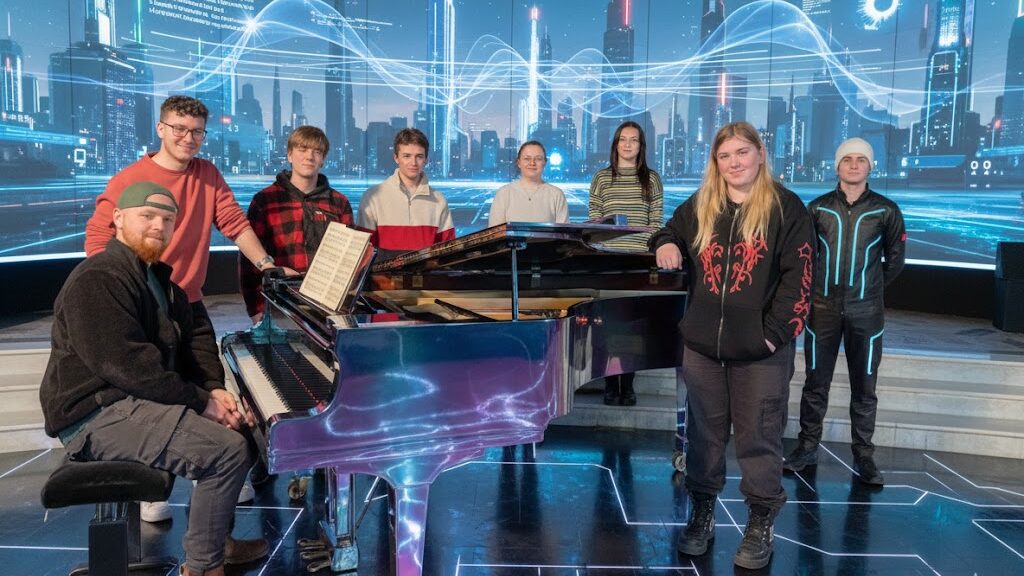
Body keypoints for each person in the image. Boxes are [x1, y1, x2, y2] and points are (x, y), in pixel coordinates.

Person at [40, 182, 268, 576]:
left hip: (132, 400)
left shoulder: (161, 282)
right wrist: (201, 402)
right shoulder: (98, 277)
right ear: (119, 219)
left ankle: (216, 542)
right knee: (225, 452)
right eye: (147, 216)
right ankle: (202, 568)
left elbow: (197, 338)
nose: (158, 226)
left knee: (244, 435)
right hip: (96, 413)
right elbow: (128, 366)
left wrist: (214, 388)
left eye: (167, 219)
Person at [84, 95, 285, 520]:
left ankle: (214, 476)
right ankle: (151, 485)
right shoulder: (132, 177)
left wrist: (266, 263)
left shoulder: (207, 174)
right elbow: (98, 237)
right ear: (160, 129)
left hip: (188, 302)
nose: (187, 138)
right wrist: (120, 292)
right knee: (151, 390)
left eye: (196, 131)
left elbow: (233, 222)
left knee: (209, 385)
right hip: (143, 306)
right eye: (178, 128)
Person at [650, 121, 813, 570]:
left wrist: (771, 335)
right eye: (725, 156)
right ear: (716, 163)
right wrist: (667, 244)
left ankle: (760, 523)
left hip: (761, 351)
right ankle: (702, 514)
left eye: (742, 152)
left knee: (759, 438)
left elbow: (799, 284)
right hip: (703, 347)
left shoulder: (786, 208)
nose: (734, 162)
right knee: (703, 435)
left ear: (760, 154)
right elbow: (667, 231)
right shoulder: (703, 204)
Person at [784, 137, 906, 486]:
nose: (854, 165)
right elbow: (804, 257)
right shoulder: (818, 208)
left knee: (865, 388)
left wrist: (867, 289)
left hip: (867, 315)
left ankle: (864, 456)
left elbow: (895, 262)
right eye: (847, 159)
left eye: (861, 160)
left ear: (870, 166)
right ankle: (807, 447)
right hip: (820, 311)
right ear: (837, 166)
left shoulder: (886, 210)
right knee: (814, 383)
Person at [240, 126, 354, 323]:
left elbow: (349, 261)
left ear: (323, 159)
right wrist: (255, 309)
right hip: (279, 303)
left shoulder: (339, 203)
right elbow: (248, 262)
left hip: (327, 306)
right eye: (302, 149)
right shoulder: (265, 201)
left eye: (316, 151)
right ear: (290, 155)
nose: (309, 156)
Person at [589, 120, 664, 406]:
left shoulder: (652, 179)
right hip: (608, 260)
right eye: (623, 139)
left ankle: (628, 384)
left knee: (634, 326)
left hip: (638, 261)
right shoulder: (601, 178)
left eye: (634, 140)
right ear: (615, 144)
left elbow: (656, 222)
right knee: (607, 324)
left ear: (641, 146)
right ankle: (610, 384)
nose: (628, 144)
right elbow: (595, 218)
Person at [357, 128, 455, 259]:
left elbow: (447, 252)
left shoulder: (439, 200)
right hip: (384, 278)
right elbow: (363, 252)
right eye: (407, 156)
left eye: (419, 156)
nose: (413, 163)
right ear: (396, 158)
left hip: (427, 278)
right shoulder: (373, 197)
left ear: (426, 159)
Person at [488, 140, 568, 226]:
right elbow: (494, 233)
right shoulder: (503, 193)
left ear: (544, 163)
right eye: (527, 158)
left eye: (538, 159)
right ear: (518, 163)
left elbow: (564, 234)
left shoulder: (556, 194)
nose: (532, 163)